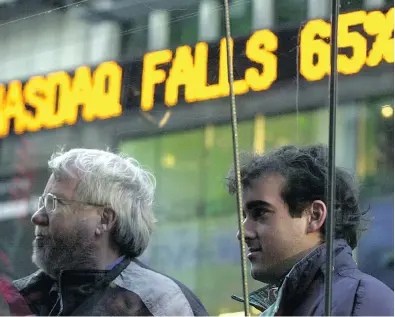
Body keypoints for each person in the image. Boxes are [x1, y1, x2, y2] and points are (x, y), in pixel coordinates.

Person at [5, 148, 208, 316]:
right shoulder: (18, 301)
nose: (38, 216)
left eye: (54, 203)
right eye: (43, 202)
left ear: (104, 219)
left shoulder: (160, 305)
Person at [227, 144, 394, 316]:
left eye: (260, 212)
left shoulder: (360, 303)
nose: (243, 233)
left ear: (314, 216)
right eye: (244, 216)